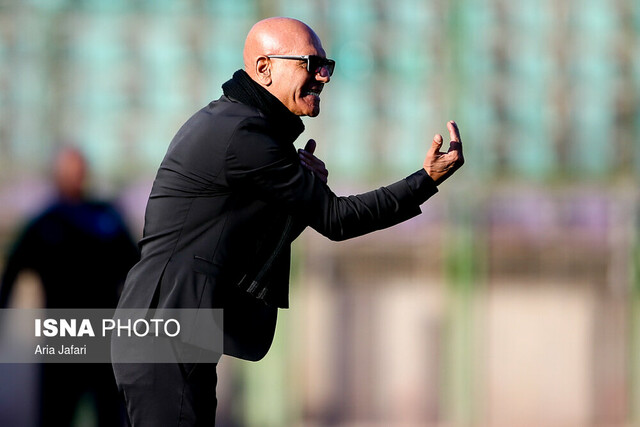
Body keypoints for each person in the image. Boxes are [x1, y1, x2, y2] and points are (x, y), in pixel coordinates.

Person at [112, 17, 464, 426]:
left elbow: (241, 235)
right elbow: (336, 219)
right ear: (264, 68)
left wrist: (300, 194)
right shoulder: (243, 133)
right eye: (310, 64)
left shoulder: (238, 124)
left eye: (326, 65)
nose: (322, 77)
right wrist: (425, 181)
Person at [0, 147, 139, 426]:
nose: (75, 177)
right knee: (56, 413)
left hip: (104, 337)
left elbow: (138, 268)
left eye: (78, 170)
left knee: (110, 415)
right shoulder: (45, 223)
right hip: (60, 340)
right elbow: (12, 275)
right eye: (68, 170)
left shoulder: (107, 218)